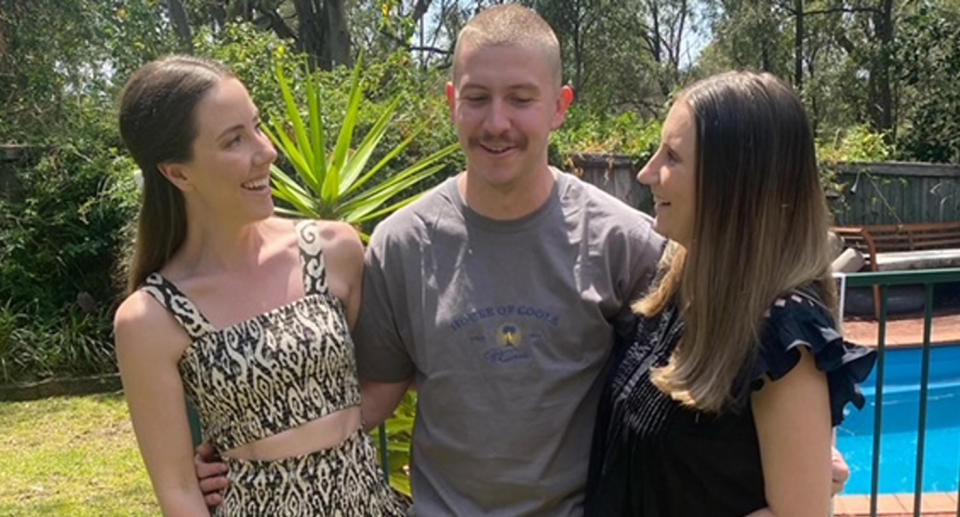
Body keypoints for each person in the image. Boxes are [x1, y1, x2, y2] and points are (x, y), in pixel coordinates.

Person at [196, 6, 852, 515]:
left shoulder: (630, 243)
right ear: (451, 102)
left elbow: (739, 352)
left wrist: (805, 447)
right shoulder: (401, 243)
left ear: (559, 107)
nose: (497, 121)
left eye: (520, 98)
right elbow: (369, 398)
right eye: (477, 97)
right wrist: (252, 444)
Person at [113, 55, 408, 516]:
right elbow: (178, 492)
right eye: (234, 140)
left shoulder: (334, 250)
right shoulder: (150, 319)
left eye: (256, 126)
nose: (266, 151)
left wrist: (314, 435)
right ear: (178, 173)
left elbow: (381, 379)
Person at [584, 72, 876, 516]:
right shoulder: (675, 293)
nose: (647, 173)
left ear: (735, 183)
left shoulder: (783, 339)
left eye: (672, 157)